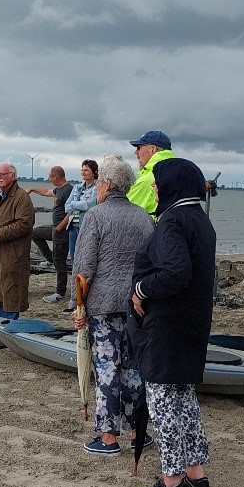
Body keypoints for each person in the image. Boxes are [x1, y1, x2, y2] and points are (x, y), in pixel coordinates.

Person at [127, 157, 216, 487]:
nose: (152, 186)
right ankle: (197, 475)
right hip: (192, 326)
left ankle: (172, 483)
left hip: (166, 329)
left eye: (157, 180)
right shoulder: (200, 219)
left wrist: (140, 288)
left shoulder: (173, 220)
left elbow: (176, 273)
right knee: (185, 402)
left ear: (172, 185)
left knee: (163, 406)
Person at [71, 155, 152, 456]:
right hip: (135, 303)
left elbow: (83, 268)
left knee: (106, 368)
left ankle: (108, 437)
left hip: (102, 304)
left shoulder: (95, 216)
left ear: (104, 184)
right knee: (131, 369)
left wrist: (76, 308)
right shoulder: (143, 216)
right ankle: (136, 432)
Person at [0, 162, 34, 320]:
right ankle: (0, 331)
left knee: (11, 292)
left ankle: (8, 331)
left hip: (13, 254)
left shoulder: (21, 198)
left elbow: (24, 224)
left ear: (12, 176)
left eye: (2, 175)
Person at [31, 166, 73, 304]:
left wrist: (61, 226)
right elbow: (46, 192)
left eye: (50, 177)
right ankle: (49, 258)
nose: (49, 179)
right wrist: (32, 190)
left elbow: (72, 211)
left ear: (56, 176)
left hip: (62, 230)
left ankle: (60, 292)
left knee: (60, 262)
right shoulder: (58, 190)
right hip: (54, 228)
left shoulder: (68, 190)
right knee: (35, 233)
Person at [127, 130, 174, 216]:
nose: (136, 152)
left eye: (139, 148)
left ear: (153, 149)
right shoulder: (175, 172)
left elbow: (123, 210)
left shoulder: (147, 180)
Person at [64, 159, 99, 262]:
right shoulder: (77, 187)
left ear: (94, 172)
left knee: (86, 257)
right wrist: (80, 205)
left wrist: (74, 204)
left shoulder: (97, 187)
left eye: (86, 170)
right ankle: (76, 278)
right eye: (82, 170)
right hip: (73, 226)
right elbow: (66, 206)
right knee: (74, 257)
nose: (83, 172)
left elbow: (90, 205)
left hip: (87, 226)